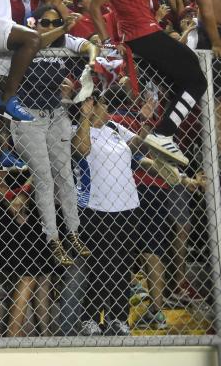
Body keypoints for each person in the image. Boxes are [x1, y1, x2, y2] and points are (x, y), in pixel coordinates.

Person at [87, 0, 206, 166]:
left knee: (182, 84)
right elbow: (95, 8)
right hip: (143, 36)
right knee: (197, 79)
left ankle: (161, 141)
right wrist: (106, 45)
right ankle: (163, 135)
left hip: (148, 34)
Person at [9, 4, 95, 266]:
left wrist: (92, 59)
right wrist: (62, 27)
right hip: (27, 115)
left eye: (54, 22)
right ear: (35, 24)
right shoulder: (25, 37)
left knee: (65, 175)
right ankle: (53, 238)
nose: (49, 27)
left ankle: (73, 232)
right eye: (44, 23)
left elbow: (88, 46)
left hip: (55, 113)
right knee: (44, 176)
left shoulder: (64, 40)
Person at [72, 88, 144, 336]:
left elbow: (137, 145)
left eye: (103, 104)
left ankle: (118, 318)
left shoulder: (115, 128)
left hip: (127, 205)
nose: (106, 109)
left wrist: (145, 122)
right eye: (102, 103)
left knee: (122, 264)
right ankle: (91, 318)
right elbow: (81, 150)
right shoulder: (77, 128)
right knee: (100, 263)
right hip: (97, 206)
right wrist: (84, 117)